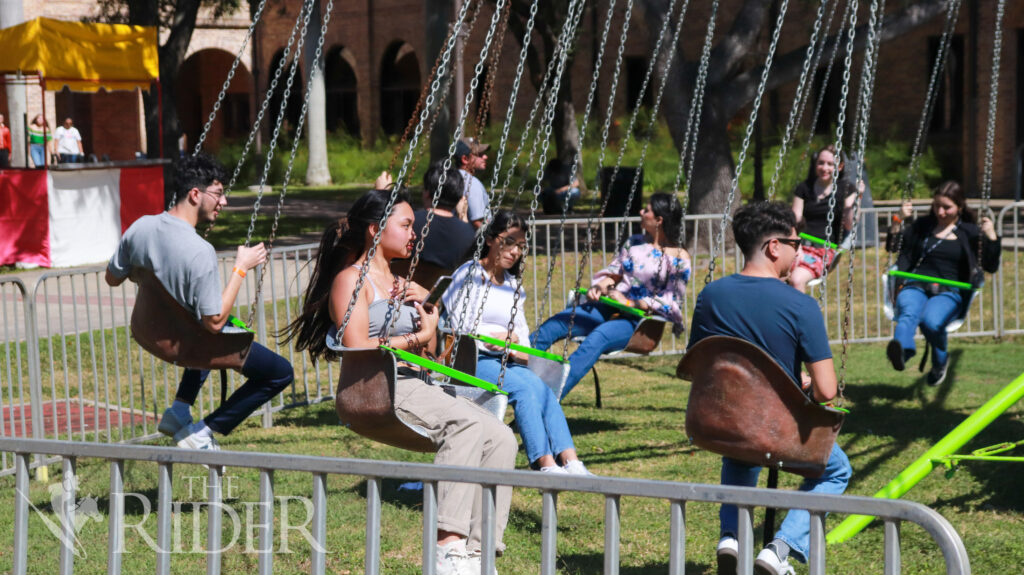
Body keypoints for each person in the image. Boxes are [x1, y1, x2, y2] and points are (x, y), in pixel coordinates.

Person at [280, 189, 516, 575]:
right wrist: (415, 339)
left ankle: (480, 551)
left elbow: (431, 353)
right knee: (468, 424)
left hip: (417, 383)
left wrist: (430, 312)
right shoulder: (350, 281)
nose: (414, 233)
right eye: (406, 225)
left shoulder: (400, 280)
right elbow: (356, 345)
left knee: (501, 437)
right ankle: (447, 544)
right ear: (375, 229)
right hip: (378, 387)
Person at [688, 201, 851, 575]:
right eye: (796, 243)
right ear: (774, 246)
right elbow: (826, 391)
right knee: (836, 471)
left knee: (740, 446)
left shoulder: (710, 295)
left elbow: (701, 362)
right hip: (774, 428)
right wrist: (801, 387)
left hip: (718, 418)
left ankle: (732, 536)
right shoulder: (799, 305)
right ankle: (781, 549)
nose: (800, 251)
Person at [105, 153, 294, 451]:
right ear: (195, 194)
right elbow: (215, 322)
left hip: (149, 332)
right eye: (218, 194)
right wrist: (241, 267)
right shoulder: (199, 252)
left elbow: (112, 278)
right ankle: (204, 432)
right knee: (280, 372)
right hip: (186, 343)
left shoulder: (140, 227)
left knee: (200, 322)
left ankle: (179, 410)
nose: (224, 202)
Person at [443, 210, 593, 476]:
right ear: (491, 239)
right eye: (509, 242)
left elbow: (521, 334)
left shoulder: (513, 286)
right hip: (472, 359)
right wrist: (494, 340)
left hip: (506, 359)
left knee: (542, 388)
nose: (515, 252)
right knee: (523, 392)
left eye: (521, 247)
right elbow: (461, 324)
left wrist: (515, 343)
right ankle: (544, 463)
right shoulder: (468, 275)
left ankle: (571, 461)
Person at [531, 192, 691, 400]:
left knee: (598, 338)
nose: (641, 212)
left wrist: (629, 302)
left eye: (647, 209)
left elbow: (671, 301)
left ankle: (547, 398)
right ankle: (509, 370)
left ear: (659, 220)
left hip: (640, 321)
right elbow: (614, 273)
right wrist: (598, 287)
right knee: (557, 324)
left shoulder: (679, 257)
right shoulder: (634, 242)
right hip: (609, 306)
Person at [885, 181, 1001, 386]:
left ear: (960, 207)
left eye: (947, 207)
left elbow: (991, 266)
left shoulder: (969, 232)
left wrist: (991, 236)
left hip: (950, 290)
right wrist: (898, 219)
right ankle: (902, 352)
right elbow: (894, 246)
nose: (940, 211)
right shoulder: (922, 227)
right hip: (916, 284)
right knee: (908, 314)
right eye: (937, 205)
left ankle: (940, 361)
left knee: (932, 322)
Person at [789, 144, 860, 292]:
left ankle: (799, 314)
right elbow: (795, 220)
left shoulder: (847, 189)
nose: (824, 168)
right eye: (821, 163)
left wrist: (852, 201)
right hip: (798, 246)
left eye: (830, 164)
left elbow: (848, 225)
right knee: (772, 275)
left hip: (823, 249)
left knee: (796, 279)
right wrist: (796, 247)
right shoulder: (804, 188)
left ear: (839, 167)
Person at [412, 161, 476, 271]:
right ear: (459, 197)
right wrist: (463, 216)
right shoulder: (468, 234)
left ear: (427, 193)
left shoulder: (410, 222)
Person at [455, 136, 490, 229]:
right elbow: (478, 222)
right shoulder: (472, 183)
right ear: (465, 159)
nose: (485, 157)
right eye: (480, 154)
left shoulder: (453, 177)